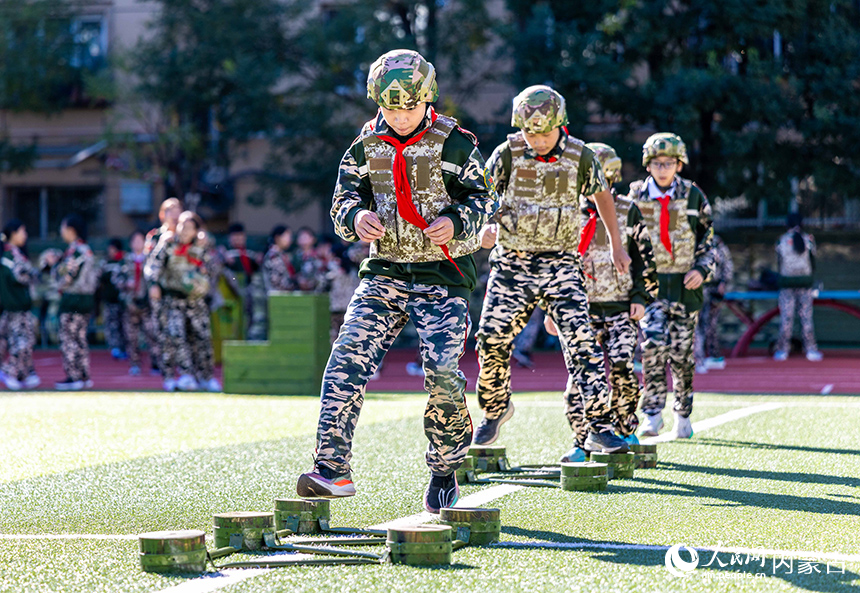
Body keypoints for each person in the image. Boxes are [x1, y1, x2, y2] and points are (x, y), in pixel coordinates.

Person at [296, 49, 496, 513]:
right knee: (345, 361)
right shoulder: (366, 144)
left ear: (427, 99)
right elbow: (343, 199)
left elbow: (484, 199)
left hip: (443, 273)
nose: (400, 117)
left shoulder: (455, 143)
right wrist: (356, 216)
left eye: (409, 106)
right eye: (390, 108)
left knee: (443, 372)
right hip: (385, 270)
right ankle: (332, 469)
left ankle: (444, 468)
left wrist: (458, 220)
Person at [474, 85, 632, 456]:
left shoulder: (580, 156)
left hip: (561, 261)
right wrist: (485, 225)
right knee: (491, 338)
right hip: (513, 261)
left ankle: (599, 425)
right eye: (530, 131)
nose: (538, 139)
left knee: (582, 343)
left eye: (544, 131)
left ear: (560, 124)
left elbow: (602, 196)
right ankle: (496, 409)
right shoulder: (507, 154)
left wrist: (616, 243)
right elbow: (479, 197)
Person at [545, 142, 658, 459]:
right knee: (578, 378)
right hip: (577, 310)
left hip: (621, 307)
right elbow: (551, 264)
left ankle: (623, 430)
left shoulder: (627, 210)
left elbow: (644, 259)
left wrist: (640, 297)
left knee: (622, 367)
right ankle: (582, 442)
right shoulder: (563, 211)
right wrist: (551, 308)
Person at [628, 133, 715, 439]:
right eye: (656, 163)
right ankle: (652, 412)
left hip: (684, 286)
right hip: (650, 287)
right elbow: (627, 241)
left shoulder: (693, 196)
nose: (663, 168)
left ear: (679, 164)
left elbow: (708, 240)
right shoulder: (635, 196)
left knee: (682, 355)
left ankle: (683, 412)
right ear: (648, 165)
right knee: (652, 346)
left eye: (669, 163)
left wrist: (702, 269)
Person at [146, 211, 219, 391]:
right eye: (182, 226)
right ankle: (184, 375)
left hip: (196, 301)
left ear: (196, 230)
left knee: (201, 338)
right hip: (173, 299)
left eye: (189, 228)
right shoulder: (168, 243)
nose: (185, 231)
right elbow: (153, 265)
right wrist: (153, 284)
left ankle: (206, 377)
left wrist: (204, 274)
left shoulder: (202, 246)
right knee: (176, 336)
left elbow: (214, 267)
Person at [48, 214, 98, 390]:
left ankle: (74, 376)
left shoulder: (76, 251)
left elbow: (67, 278)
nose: (61, 231)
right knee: (80, 338)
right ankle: (83, 376)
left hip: (74, 300)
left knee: (69, 338)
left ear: (71, 230)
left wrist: (54, 269)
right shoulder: (83, 250)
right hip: (84, 300)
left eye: (63, 227)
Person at [774, 212, 822, 362]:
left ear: (786, 224)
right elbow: (813, 263)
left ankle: (782, 350)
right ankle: (811, 349)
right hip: (805, 284)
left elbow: (779, 263)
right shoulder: (808, 239)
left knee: (786, 318)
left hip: (787, 284)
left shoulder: (781, 241)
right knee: (806, 318)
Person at [0, 220, 40, 390]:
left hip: (18, 307)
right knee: (22, 342)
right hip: (15, 307)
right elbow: (21, 277)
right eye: (22, 231)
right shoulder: (10, 256)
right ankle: (9, 372)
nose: (25, 235)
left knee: (24, 341)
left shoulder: (16, 254)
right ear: (13, 234)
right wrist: (41, 269)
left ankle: (24, 372)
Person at [145, 198, 183, 375]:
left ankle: (186, 371)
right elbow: (150, 263)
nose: (174, 214)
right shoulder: (155, 236)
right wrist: (153, 284)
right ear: (162, 214)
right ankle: (165, 369)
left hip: (182, 292)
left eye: (178, 210)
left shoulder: (187, 236)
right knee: (162, 331)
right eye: (170, 210)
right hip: (162, 291)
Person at [118, 230, 157, 376]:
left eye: (141, 240)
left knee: (152, 335)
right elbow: (116, 279)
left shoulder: (151, 259)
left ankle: (155, 364)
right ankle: (135, 364)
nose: (138, 243)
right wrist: (124, 283)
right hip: (130, 304)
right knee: (131, 337)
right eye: (135, 241)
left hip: (147, 304)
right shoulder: (125, 261)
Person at [694, 234, 734, 373]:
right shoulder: (690, 240)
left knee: (710, 324)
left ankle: (713, 355)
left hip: (713, 288)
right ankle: (697, 359)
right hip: (696, 287)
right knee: (696, 325)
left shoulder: (716, 241)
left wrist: (724, 282)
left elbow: (727, 263)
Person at [221, 222, 265, 340]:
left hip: (248, 287)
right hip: (231, 290)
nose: (238, 239)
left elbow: (256, 268)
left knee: (249, 314)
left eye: (240, 236)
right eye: (235, 237)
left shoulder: (250, 251)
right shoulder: (225, 250)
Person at [99, 238, 127, 360]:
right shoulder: (105, 262)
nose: (110, 251)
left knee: (123, 325)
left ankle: (125, 348)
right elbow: (99, 279)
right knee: (111, 325)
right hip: (109, 300)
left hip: (123, 301)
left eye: (112, 249)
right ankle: (115, 348)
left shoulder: (125, 261)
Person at [262, 225, 295, 292]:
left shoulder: (280, 255)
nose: (289, 240)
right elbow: (277, 282)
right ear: (277, 238)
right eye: (287, 236)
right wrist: (297, 284)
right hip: (275, 297)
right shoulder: (274, 255)